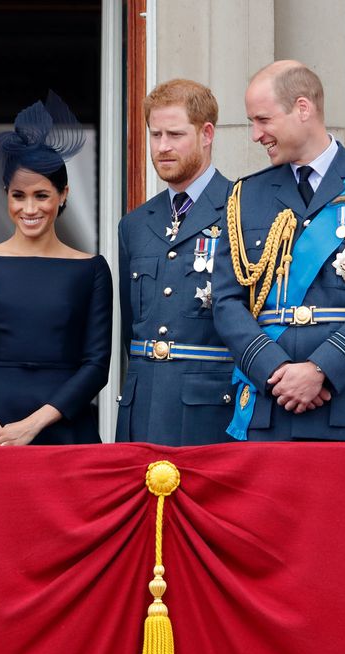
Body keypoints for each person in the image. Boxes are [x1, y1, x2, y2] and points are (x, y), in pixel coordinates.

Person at [212, 60, 345, 441]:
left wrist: (321, 369)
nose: (256, 135)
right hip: (269, 402)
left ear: (302, 109)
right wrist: (274, 371)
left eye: (263, 120)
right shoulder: (245, 196)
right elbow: (226, 302)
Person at [0, 92, 112, 445]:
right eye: (18, 195)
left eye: (41, 195)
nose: (29, 208)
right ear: (6, 195)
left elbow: (96, 366)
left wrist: (32, 426)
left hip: (64, 430)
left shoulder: (92, 270)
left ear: (63, 194)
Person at [116, 78, 236, 446]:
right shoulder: (134, 224)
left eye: (175, 134)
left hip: (210, 412)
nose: (162, 147)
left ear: (207, 133)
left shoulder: (241, 209)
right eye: (155, 135)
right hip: (142, 408)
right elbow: (129, 328)